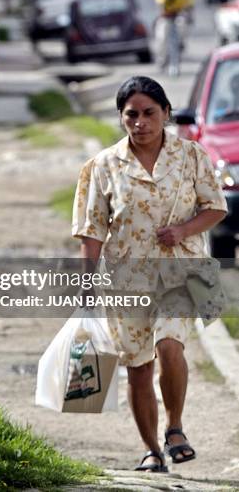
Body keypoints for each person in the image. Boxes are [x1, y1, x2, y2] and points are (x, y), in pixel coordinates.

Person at [72, 76, 227, 473]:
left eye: (149, 113)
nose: (140, 122)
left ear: (166, 114)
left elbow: (215, 208)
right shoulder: (103, 166)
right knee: (138, 367)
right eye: (131, 115)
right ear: (122, 119)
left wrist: (183, 231)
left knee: (170, 345)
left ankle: (175, 428)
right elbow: (91, 230)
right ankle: (151, 450)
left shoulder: (191, 156)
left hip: (182, 271)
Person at [154, 0, 194, 75]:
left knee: (182, 27)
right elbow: (160, 4)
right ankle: (162, 60)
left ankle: (181, 43)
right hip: (166, 18)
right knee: (162, 38)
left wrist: (188, 15)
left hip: (177, 17)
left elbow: (189, 6)